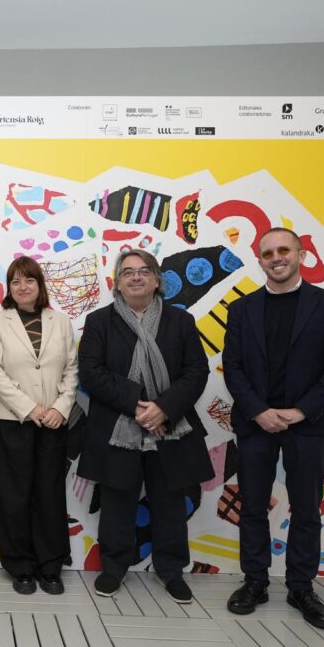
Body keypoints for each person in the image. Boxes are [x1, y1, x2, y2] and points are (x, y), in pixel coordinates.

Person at [223, 227, 324, 630]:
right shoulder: (241, 309)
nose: (276, 257)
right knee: (253, 509)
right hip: (255, 424)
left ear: (300, 254)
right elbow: (235, 368)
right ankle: (255, 582)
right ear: (259, 259)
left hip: (307, 425)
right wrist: (260, 412)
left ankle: (301, 587)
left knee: (306, 511)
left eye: (283, 250)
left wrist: (299, 412)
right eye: (267, 252)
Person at [78, 249, 211, 604]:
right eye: (127, 273)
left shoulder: (180, 322)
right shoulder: (99, 321)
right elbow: (92, 372)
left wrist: (163, 408)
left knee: (170, 504)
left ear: (157, 280)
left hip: (171, 426)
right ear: (117, 284)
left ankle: (171, 571)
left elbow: (197, 372)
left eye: (143, 271)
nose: (136, 277)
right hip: (118, 426)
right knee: (117, 501)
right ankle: (113, 568)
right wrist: (137, 405)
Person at [0, 256, 78, 595]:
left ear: (40, 284)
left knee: (49, 494)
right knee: (14, 494)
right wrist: (31, 408)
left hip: (54, 420)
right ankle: (20, 566)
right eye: (15, 281)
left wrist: (60, 407)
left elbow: (71, 371)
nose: (22, 287)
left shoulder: (62, 321)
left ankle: (50, 566)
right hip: (13, 420)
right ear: (9, 288)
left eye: (29, 280)